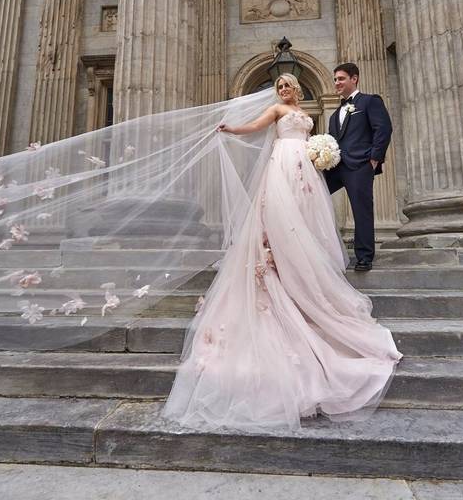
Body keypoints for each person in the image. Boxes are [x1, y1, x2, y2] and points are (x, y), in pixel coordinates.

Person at [161, 73, 402, 431]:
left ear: (298, 88)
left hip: (305, 167)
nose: (284, 90)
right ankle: (280, 264)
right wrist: (231, 130)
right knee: (279, 216)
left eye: (288, 85)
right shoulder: (275, 110)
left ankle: (306, 264)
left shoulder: (307, 112)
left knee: (304, 220)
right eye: (280, 87)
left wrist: (324, 153)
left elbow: (326, 139)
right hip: (282, 164)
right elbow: (255, 127)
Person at [324, 63, 392, 271]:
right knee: (312, 193)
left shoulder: (370, 101)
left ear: (354, 79)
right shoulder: (335, 114)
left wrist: (374, 159)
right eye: (335, 79)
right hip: (336, 167)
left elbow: (383, 129)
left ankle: (364, 257)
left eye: (341, 78)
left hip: (360, 165)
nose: (337, 82)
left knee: (361, 210)